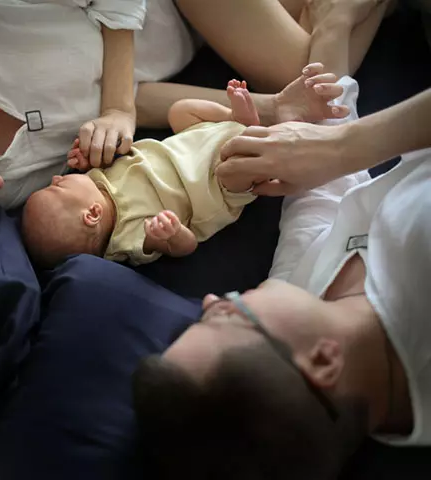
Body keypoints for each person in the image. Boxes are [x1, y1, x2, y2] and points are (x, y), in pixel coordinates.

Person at [0, 0, 388, 259]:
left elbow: (119, 102)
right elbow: (139, 99)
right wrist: (265, 108)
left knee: (305, 60)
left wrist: (116, 110)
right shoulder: (19, 185)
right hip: (195, 33)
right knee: (312, 83)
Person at [131, 16, 431, 478]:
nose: (212, 298)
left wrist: (335, 26)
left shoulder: (300, 296)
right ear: (324, 360)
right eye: (229, 316)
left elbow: (318, 194)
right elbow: (333, 156)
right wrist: (346, 147)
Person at [21, 66, 347, 268]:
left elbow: (111, 149)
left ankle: (239, 122)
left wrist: (86, 157)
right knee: (235, 170)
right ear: (92, 215)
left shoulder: (96, 180)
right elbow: (185, 246)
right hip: (210, 185)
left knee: (180, 110)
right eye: (57, 187)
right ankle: (264, 134)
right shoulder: (127, 238)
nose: (55, 177)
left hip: (191, 141)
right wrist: (171, 235)